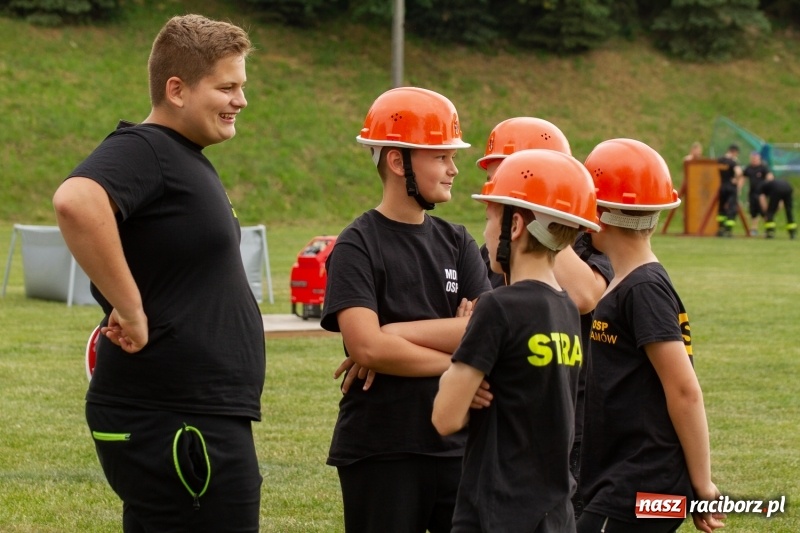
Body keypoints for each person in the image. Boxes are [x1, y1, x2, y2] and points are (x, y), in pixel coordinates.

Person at [52, 14, 265, 532]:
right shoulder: (147, 148)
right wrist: (130, 309)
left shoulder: (183, 158)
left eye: (242, 87)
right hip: (175, 418)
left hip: (195, 416)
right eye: (227, 87)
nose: (241, 100)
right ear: (177, 89)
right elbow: (76, 201)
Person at [319, 86, 492, 533]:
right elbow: (365, 346)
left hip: (458, 448)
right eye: (440, 156)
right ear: (398, 162)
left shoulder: (459, 242)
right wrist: (454, 368)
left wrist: (390, 334)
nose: (454, 169)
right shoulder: (357, 243)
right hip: (382, 449)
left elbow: (485, 332)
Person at [432, 149, 600, 532]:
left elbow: (445, 417)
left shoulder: (497, 307)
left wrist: (456, 377)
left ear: (516, 225)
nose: (487, 232)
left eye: (490, 217)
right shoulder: (567, 309)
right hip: (555, 516)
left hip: (495, 514)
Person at [578, 138, 725, 533]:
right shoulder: (624, 280)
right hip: (620, 477)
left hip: (642, 483)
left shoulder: (642, 289)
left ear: (598, 212)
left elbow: (684, 390)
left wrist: (702, 485)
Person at [474, 116, 613, 519]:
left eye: (511, 175)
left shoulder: (587, 242)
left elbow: (585, 295)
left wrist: (544, 222)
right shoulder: (493, 249)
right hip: (504, 423)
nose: (496, 191)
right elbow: (470, 321)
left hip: (567, 428)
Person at [743, 150, 773, 235]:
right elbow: (743, 177)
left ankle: (768, 229)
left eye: (756, 158)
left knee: (764, 211)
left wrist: (768, 187)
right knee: (753, 212)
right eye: (753, 158)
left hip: (761, 194)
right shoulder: (749, 168)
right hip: (752, 193)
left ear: (759, 158)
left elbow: (770, 177)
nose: (754, 160)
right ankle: (754, 229)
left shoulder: (763, 167)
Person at [716, 143, 743, 237]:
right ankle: (728, 230)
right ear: (734, 152)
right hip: (731, 187)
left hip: (722, 186)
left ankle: (720, 229)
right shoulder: (733, 162)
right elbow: (739, 172)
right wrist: (736, 180)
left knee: (721, 208)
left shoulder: (720, 160)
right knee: (731, 208)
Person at [759, 174, 797, 239]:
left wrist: (767, 212)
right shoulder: (776, 183)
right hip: (788, 188)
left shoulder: (763, 186)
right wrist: (777, 209)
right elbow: (781, 201)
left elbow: (762, 199)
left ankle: (770, 233)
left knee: (770, 211)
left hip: (777, 190)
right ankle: (792, 232)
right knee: (789, 211)